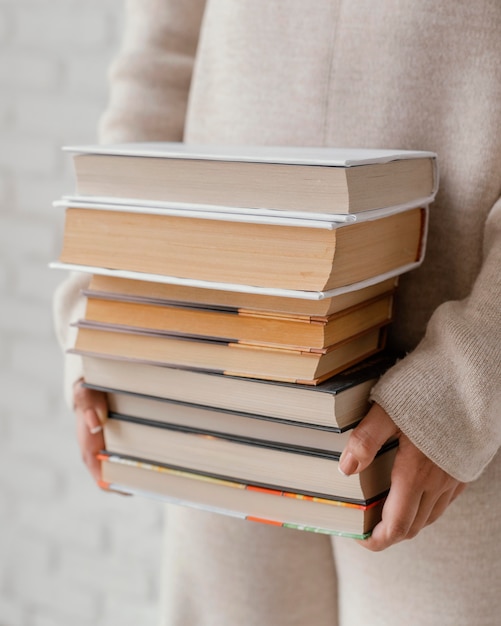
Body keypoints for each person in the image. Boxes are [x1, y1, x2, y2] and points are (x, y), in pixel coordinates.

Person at [53, 1, 501, 624]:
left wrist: (469, 383)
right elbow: (155, 68)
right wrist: (103, 321)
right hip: (216, 369)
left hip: (447, 424)